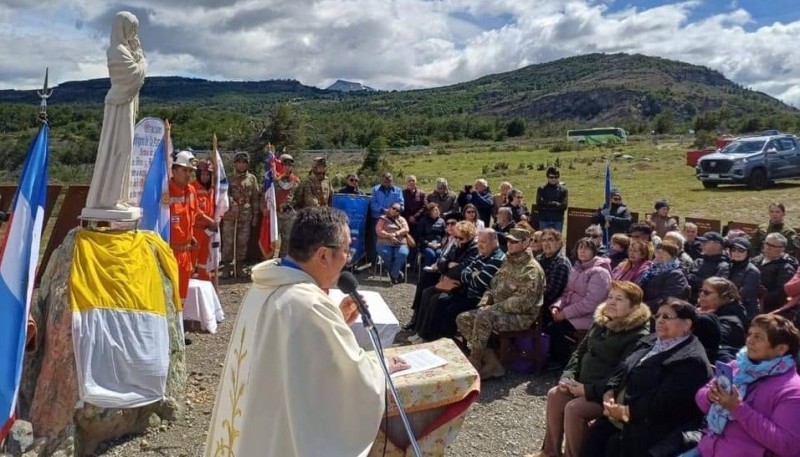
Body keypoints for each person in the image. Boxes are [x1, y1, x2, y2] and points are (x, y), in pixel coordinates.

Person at [205, 207, 408, 457]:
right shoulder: (308, 304)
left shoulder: (265, 285)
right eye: (346, 250)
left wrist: (337, 321)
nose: (349, 259)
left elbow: (295, 354)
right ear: (323, 254)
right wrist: (380, 366)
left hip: (258, 421)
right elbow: (346, 377)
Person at [529, 281, 651, 457]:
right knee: (555, 395)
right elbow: (581, 350)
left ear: (634, 307)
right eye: (610, 297)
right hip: (582, 383)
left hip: (608, 394)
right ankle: (550, 452)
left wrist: (587, 390)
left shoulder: (637, 335)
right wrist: (568, 375)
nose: (611, 302)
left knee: (574, 409)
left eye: (619, 299)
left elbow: (623, 374)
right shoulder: (602, 321)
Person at [582, 299, 712, 457]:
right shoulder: (652, 340)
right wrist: (610, 391)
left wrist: (627, 412)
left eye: (667, 317)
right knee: (594, 438)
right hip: (621, 413)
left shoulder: (691, 360)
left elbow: (665, 402)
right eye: (658, 316)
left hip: (653, 425)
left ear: (687, 324)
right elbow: (623, 367)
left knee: (614, 444)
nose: (660, 320)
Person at [689, 314, 800, 457]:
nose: (749, 341)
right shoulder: (737, 366)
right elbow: (700, 399)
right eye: (750, 334)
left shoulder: (792, 389)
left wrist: (737, 408)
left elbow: (787, 445)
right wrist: (711, 396)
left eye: (758, 337)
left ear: (781, 349)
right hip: (707, 448)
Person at [456, 228, 545, 380]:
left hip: (521, 316)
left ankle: (476, 359)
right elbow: (493, 286)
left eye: (514, 242)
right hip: (497, 311)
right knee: (463, 318)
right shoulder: (508, 261)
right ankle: (492, 361)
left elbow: (522, 302)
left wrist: (492, 308)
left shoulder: (531, 270)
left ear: (525, 243)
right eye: (508, 241)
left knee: (484, 317)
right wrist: (484, 303)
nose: (509, 244)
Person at [85, 11, 146, 212]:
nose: (134, 32)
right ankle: (108, 199)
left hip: (124, 105)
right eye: (131, 27)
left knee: (124, 149)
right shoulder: (116, 50)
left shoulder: (125, 50)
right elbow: (133, 77)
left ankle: (117, 196)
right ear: (122, 27)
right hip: (118, 106)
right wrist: (142, 60)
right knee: (119, 148)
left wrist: (137, 54)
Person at [416, 228, 505, 342]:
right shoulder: (482, 254)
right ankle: (426, 335)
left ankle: (444, 342)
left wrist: (471, 275)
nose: (480, 245)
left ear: (494, 242)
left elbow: (479, 282)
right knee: (435, 296)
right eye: (479, 242)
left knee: (448, 307)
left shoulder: (496, 258)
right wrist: (472, 274)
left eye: (483, 242)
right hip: (466, 291)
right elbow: (464, 271)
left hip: (478, 298)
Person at [548, 237, 612, 370]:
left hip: (591, 316)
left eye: (587, 248)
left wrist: (564, 314)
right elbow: (566, 293)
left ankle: (568, 365)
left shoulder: (600, 272)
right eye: (580, 247)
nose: (582, 251)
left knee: (556, 328)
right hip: (574, 312)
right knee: (549, 319)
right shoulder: (577, 268)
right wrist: (557, 306)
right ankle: (555, 357)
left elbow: (591, 303)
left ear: (594, 251)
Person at [406, 219, 477, 335]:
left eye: (461, 238)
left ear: (469, 237)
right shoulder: (456, 243)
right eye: (457, 237)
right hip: (447, 277)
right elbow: (442, 261)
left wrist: (447, 267)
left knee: (436, 298)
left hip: (459, 284)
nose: (458, 240)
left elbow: (461, 270)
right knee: (425, 286)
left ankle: (427, 333)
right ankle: (418, 326)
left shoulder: (473, 248)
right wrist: (449, 264)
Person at [221, 151, 259, 278]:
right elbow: (224, 194)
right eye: (239, 162)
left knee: (242, 242)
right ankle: (227, 267)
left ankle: (239, 266)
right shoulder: (228, 178)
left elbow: (255, 197)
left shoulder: (252, 178)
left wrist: (255, 215)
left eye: (244, 162)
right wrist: (233, 204)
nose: (242, 165)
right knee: (228, 242)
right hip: (230, 214)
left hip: (246, 215)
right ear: (235, 164)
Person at [169, 151, 200, 303]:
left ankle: (179, 324)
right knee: (169, 294)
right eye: (184, 170)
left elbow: (191, 216)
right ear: (174, 170)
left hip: (186, 253)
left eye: (190, 171)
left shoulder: (192, 191)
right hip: (169, 252)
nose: (188, 174)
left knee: (182, 295)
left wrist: (190, 236)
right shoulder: (165, 191)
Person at [696, 277, 748, 362]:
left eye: (706, 293)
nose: (701, 294)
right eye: (701, 291)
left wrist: (700, 319)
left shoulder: (731, 321)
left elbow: (712, 342)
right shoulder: (699, 310)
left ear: (724, 297)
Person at [751, 233, 798, 314]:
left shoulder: (785, 268)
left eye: (773, 246)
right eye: (766, 243)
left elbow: (781, 293)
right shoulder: (756, 260)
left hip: (767, 310)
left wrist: (759, 298)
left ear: (782, 249)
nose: (768, 248)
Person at [640, 240, 690, 312]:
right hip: (645, 306)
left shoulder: (676, 274)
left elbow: (668, 298)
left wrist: (643, 306)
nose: (659, 255)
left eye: (664, 253)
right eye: (657, 252)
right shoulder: (652, 269)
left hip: (661, 310)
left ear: (672, 255)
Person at [537, 229, 573, 326]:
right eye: (544, 240)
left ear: (559, 243)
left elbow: (551, 294)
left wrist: (528, 299)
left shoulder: (561, 263)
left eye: (550, 240)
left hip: (549, 308)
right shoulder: (539, 258)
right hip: (534, 299)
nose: (546, 243)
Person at [190, 158, 218, 280]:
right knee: (192, 256)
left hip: (207, 230)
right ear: (198, 174)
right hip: (196, 229)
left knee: (204, 255)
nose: (205, 177)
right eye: (203, 174)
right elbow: (196, 210)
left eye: (208, 174)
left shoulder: (211, 190)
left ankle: (203, 276)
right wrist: (209, 220)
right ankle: (188, 278)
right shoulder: (192, 188)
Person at [688, 231, 730, 302]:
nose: (702, 245)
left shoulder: (723, 266)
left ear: (717, 245)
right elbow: (686, 278)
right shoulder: (698, 261)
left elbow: (715, 287)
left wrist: (694, 279)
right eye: (702, 242)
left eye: (705, 242)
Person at [726, 237, 761, 319]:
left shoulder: (752, 271)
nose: (736, 253)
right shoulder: (728, 266)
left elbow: (743, 295)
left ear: (748, 253)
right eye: (733, 250)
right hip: (726, 305)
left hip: (744, 310)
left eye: (741, 250)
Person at [375, 203, 410, 284]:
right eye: (393, 208)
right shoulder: (382, 218)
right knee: (386, 254)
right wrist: (390, 236)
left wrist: (396, 234)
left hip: (400, 243)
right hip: (384, 242)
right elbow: (378, 230)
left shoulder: (402, 219)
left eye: (398, 210)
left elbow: (406, 229)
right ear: (390, 208)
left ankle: (393, 274)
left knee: (402, 254)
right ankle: (396, 274)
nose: (395, 211)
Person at [273, 154, 300, 258]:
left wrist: (290, 204)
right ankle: (269, 264)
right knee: (272, 240)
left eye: (289, 165)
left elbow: (298, 197)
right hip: (275, 214)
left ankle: (283, 262)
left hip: (288, 215)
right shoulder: (273, 180)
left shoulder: (296, 180)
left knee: (287, 241)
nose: (287, 167)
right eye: (284, 164)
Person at [537, 167, 569, 232]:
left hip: (558, 220)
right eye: (551, 177)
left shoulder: (563, 190)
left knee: (557, 241)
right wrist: (555, 204)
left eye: (556, 177)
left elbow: (564, 206)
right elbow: (539, 204)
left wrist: (547, 204)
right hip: (544, 219)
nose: (553, 179)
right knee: (543, 241)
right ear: (547, 177)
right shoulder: (541, 189)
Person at [417, 202, 446, 267]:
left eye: (438, 210)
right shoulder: (423, 221)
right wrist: (428, 244)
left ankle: (438, 274)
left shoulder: (442, 221)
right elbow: (419, 236)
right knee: (431, 254)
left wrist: (440, 244)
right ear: (429, 212)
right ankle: (428, 274)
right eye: (435, 210)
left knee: (439, 254)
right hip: (426, 245)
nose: (437, 211)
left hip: (438, 245)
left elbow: (445, 236)